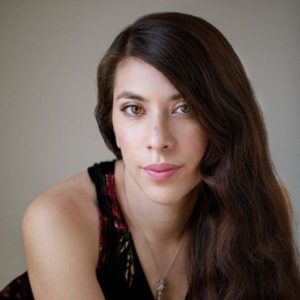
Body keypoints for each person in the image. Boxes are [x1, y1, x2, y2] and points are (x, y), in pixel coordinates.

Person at [1, 12, 300, 300]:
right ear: (111, 123)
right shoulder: (58, 219)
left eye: (185, 108)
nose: (158, 141)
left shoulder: (261, 207)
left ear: (223, 117)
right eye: (134, 109)